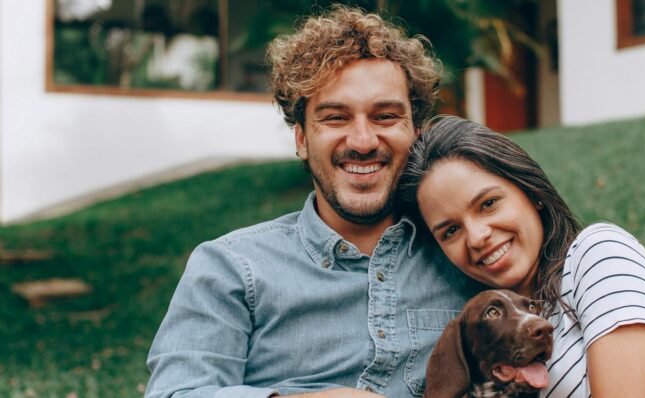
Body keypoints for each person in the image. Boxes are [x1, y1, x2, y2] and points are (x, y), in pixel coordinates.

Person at [145, 7, 481, 398]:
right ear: (301, 139)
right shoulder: (231, 268)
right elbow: (175, 393)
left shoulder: (462, 254)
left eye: (385, 116)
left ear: (416, 133)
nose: (362, 141)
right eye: (336, 118)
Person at [398, 116, 645, 398]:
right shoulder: (498, 337)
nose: (478, 237)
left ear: (531, 191)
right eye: (451, 231)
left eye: (488, 204)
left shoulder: (597, 254)